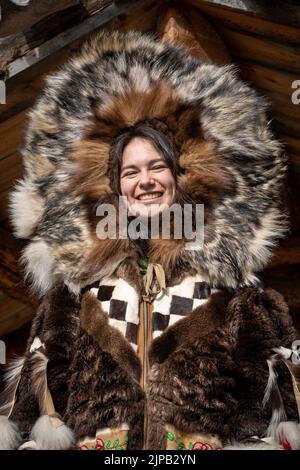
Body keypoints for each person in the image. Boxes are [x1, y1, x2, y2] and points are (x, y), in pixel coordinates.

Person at [0, 30, 299, 450]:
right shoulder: (72, 297)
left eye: (156, 166)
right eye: (130, 172)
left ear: (180, 178)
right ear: (116, 188)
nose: (145, 181)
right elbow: (31, 413)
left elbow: (280, 412)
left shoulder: (236, 294)